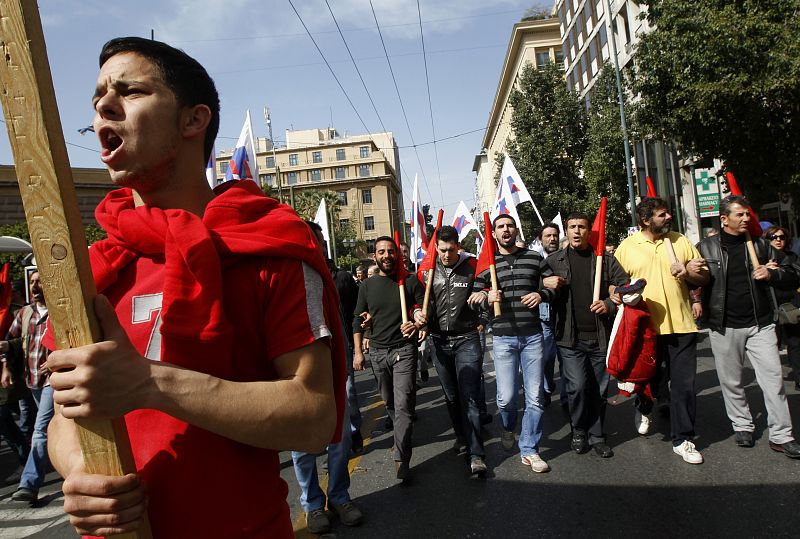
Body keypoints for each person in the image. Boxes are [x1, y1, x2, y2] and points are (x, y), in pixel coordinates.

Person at [44, 37, 344, 538]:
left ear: (193, 120)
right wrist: (79, 470)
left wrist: (149, 383)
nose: (103, 105)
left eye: (131, 90)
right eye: (98, 97)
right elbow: (63, 415)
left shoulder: (269, 247)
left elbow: (313, 419)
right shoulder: (89, 270)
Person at [697, 198, 800, 458]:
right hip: (723, 326)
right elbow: (693, 281)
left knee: (773, 379)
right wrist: (688, 274)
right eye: (740, 215)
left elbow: (792, 271)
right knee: (731, 382)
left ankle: (782, 435)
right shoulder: (706, 247)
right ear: (724, 219)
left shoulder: (761, 245)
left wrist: (772, 274)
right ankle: (742, 425)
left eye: (747, 214)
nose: (746, 219)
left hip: (761, 324)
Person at [615, 197, 709, 464]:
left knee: (684, 386)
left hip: (682, 326)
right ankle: (644, 406)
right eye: (662, 214)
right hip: (646, 329)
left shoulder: (680, 241)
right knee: (651, 380)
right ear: (646, 220)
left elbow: (704, 277)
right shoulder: (627, 247)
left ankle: (684, 439)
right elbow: (616, 285)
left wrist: (689, 274)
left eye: (668, 213)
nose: (668, 218)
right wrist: (619, 295)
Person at [291, 223, 364, 534]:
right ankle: (311, 504)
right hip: (294, 367)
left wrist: (353, 350)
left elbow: (349, 313)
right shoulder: (284, 271)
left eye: (319, 240)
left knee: (341, 435)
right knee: (301, 443)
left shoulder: (336, 276)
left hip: (334, 358)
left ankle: (339, 496)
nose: (316, 245)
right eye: (310, 240)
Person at [470, 214, 554, 473]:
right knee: (506, 400)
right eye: (500, 227)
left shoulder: (534, 258)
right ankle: (508, 428)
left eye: (509, 226)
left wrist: (540, 294)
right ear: (494, 233)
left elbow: (552, 286)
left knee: (535, 398)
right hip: (504, 337)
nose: (505, 230)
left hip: (532, 336)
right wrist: (486, 294)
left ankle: (529, 449)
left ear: (516, 230)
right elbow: (474, 293)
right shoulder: (488, 263)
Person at [543, 214, 628, 458]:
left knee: (599, 390)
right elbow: (538, 285)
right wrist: (544, 283)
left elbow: (625, 287)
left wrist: (609, 304)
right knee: (578, 387)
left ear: (589, 231)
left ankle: (597, 434)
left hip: (600, 337)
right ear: (566, 232)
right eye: (572, 227)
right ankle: (579, 430)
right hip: (569, 339)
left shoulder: (605, 260)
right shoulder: (553, 261)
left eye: (581, 227)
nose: (576, 231)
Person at [353, 236, 425, 481]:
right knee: (390, 403)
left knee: (404, 403)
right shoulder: (366, 286)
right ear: (375, 256)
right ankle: (401, 434)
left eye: (391, 251)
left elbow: (424, 309)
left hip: (404, 350)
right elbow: (357, 320)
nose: (386, 256)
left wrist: (417, 322)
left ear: (398, 255)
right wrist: (358, 351)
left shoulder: (410, 281)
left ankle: (401, 456)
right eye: (381, 252)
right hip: (377, 353)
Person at [420, 226, 487, 476]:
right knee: (451, 396)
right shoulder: (427, 269)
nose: (446, 255)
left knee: (468, 395)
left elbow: (490, 287)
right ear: (436, 248)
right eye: (442, 250)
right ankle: (461, 436)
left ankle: (477, 453)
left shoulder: (473, 265)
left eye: (451, 249)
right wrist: (419, 312)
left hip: (467, 339)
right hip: (439, 342)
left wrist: (484, 299)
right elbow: (418, 298)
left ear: (458, 246)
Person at [1, 271, 52, 503]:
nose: (35, 285)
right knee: (48, 429)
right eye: (32, 281)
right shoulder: (25, 312)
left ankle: (29, 485)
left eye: (40, 280)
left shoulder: (58, 311)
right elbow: (11, 341)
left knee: (40, 430)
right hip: (32, 381)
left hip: (54, 380)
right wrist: (6, 367)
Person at [765, 225, 800, 390]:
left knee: (795, 343)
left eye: (781, 237)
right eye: (773, 237)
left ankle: (799, 378)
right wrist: (766, 271)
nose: (778, 240)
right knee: (771, 346)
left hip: (790, 306)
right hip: (768, 307)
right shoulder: (759, 257)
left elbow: (796, 278)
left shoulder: (792, 258)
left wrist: (780, 273)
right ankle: (772, 382)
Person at [539, 222, 567, 407]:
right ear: (540, 240)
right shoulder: (536, 261)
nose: (552, 239)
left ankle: (567, 396)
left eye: (555, 235)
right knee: (547, 356)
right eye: (548, 236)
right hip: (544, 318)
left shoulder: (566, 258)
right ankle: (547, 387)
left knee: (566, 358)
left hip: (565, 315)